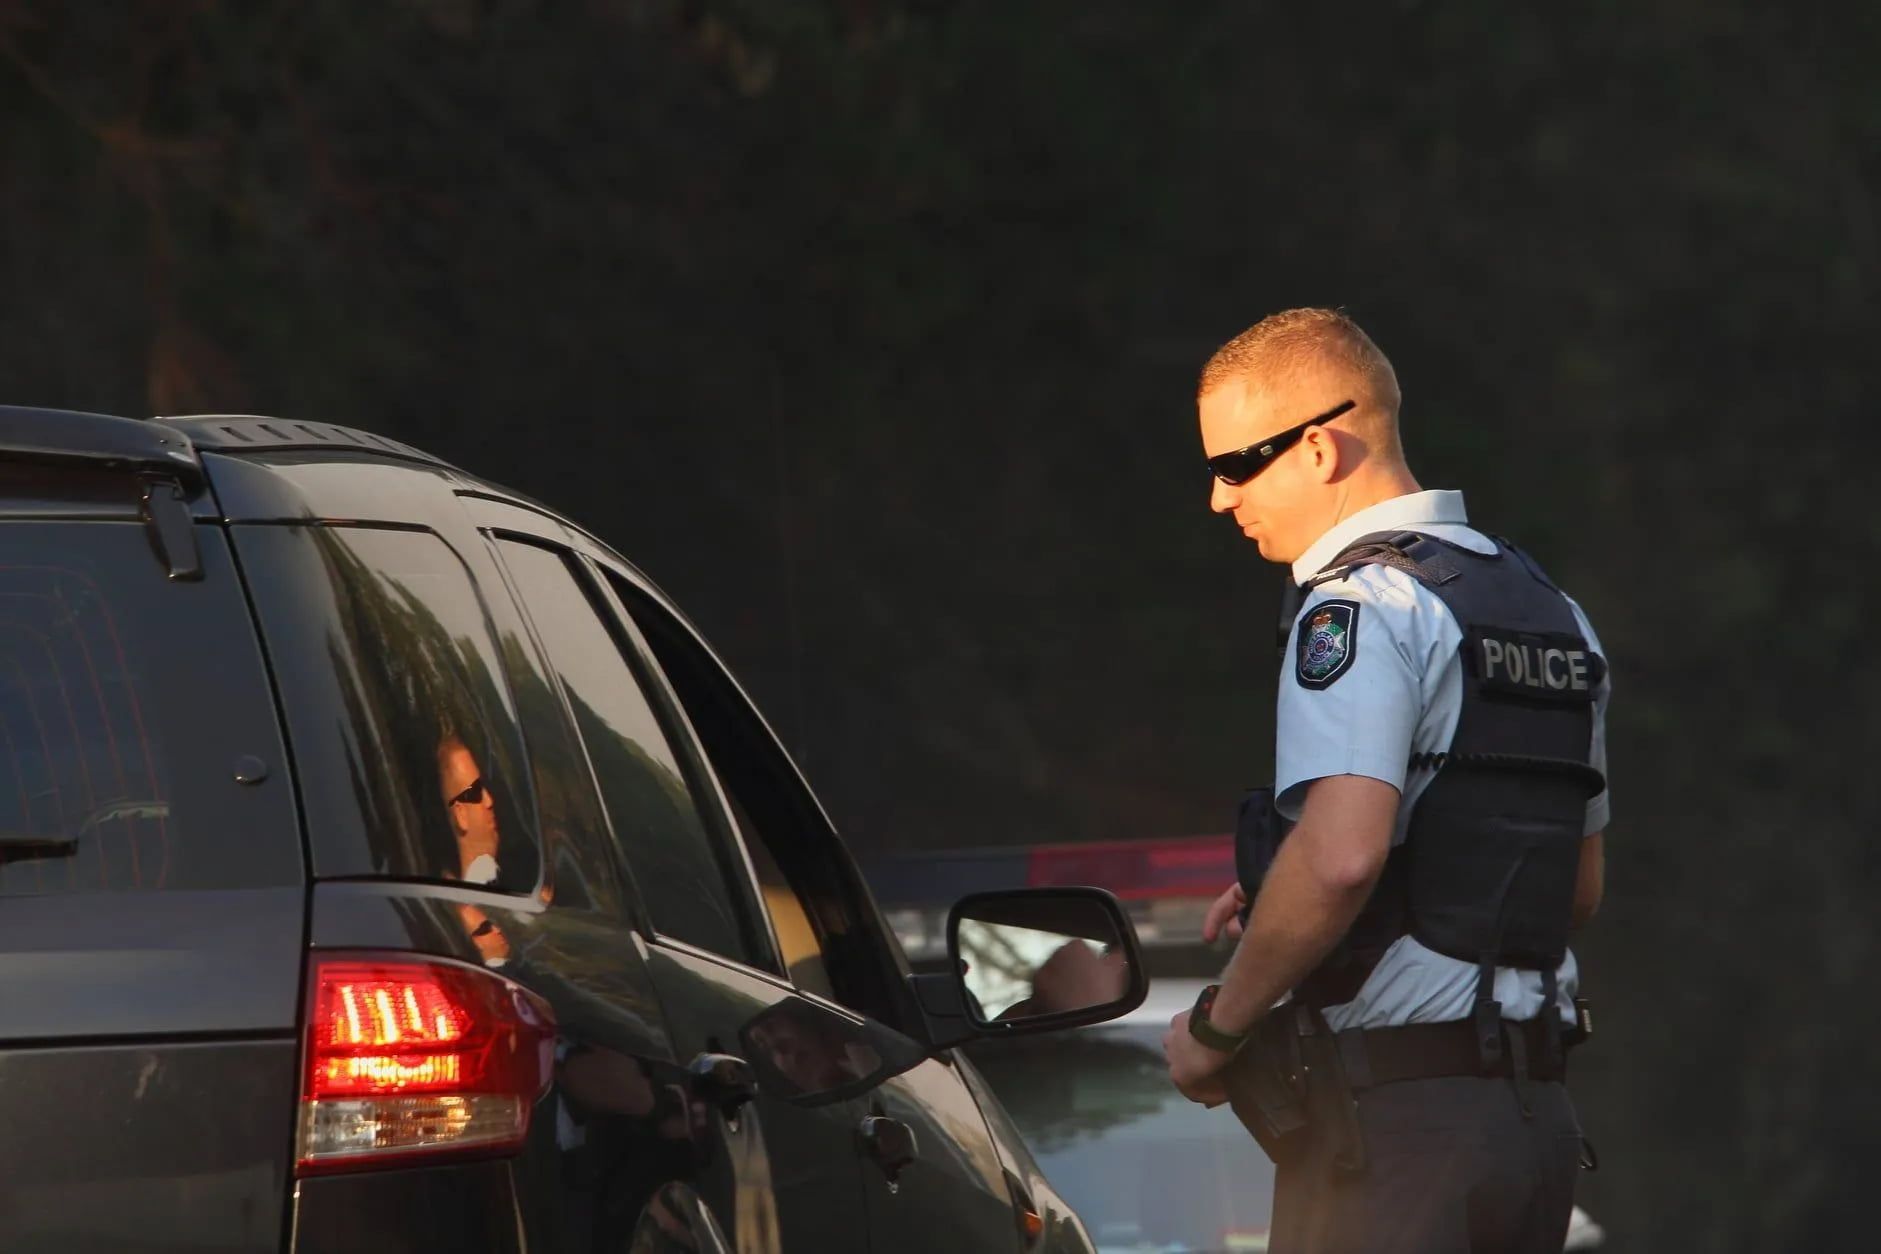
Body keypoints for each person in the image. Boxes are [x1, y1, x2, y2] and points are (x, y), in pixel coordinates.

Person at [1159, 308, 1609, 1253]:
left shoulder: (1357, 606)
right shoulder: (1554, 614)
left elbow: (1339, 858)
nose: (1217, 498)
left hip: (1394, 1136)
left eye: (1235, 465)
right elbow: (1571, 886)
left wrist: (1215, 1030)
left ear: (1319, 448)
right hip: (1532, 1132)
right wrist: (1294, 902)